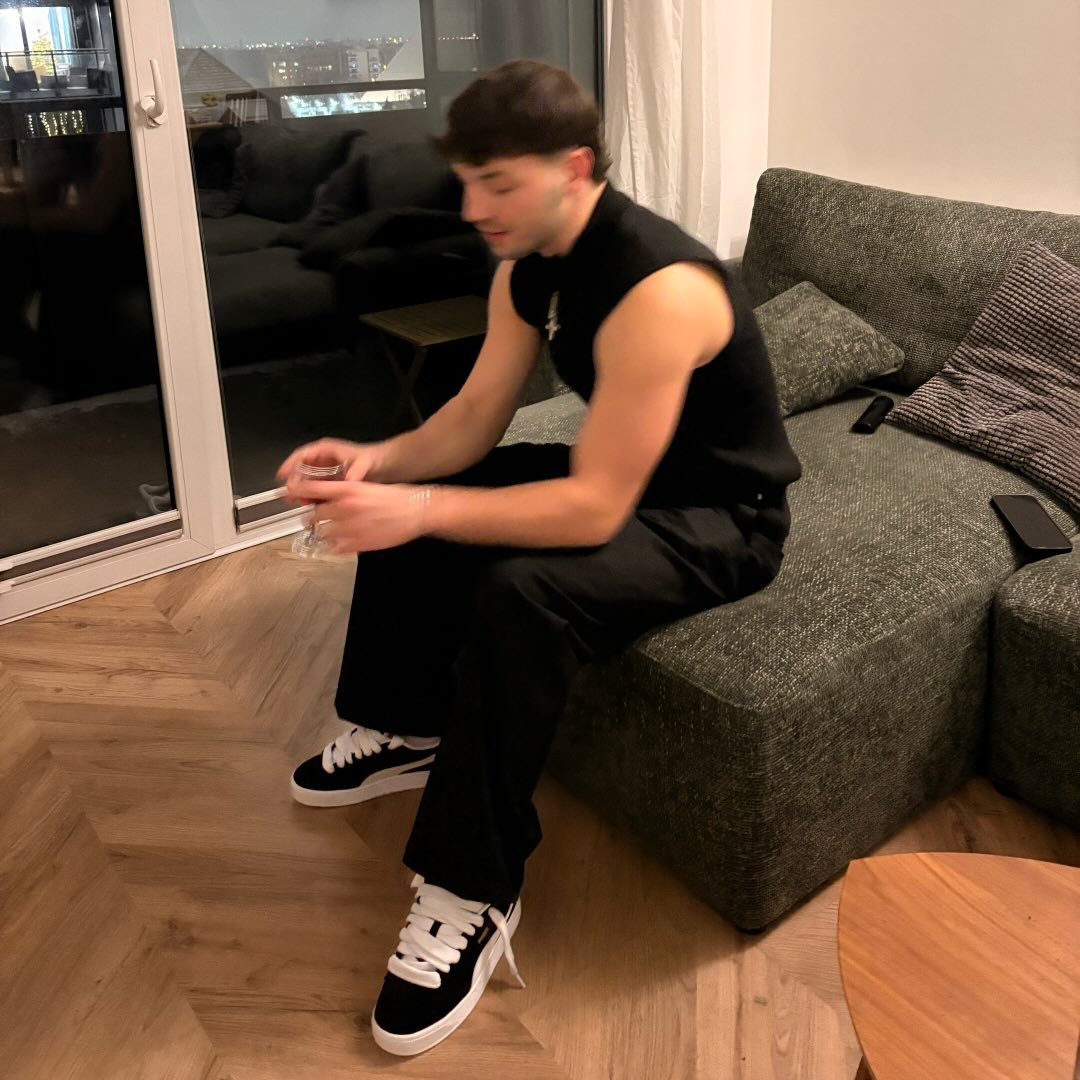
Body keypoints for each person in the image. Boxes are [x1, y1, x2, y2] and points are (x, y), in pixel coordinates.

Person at [280, 59, 802, 1057]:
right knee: (420, 501)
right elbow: (475, 417)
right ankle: (405, 727)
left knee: (521, 590)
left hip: (721, 518)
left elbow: (593, 509)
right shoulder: (529, 263)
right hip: (634, 476)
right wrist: (380, 463)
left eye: (497, 184)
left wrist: (418, 511)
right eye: (467, 182)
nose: (474, 208)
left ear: (572, 167)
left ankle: (471, 890)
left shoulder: (661, 287)